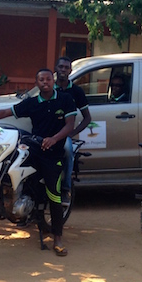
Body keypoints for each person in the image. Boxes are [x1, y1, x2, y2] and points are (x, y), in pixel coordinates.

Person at [0, 69, 76, 256]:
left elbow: (70, 125)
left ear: (53, 81)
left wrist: (54, 139)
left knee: (54, 195)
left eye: (48, 79)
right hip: (34, 148)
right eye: (41, 80)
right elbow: (5, 112)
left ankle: (57, 237)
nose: (45, 82)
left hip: (53, 153)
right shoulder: (31, 103)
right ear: (37, 83)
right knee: (12, 168)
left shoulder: (65, 99)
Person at [54, 56, 91, 206]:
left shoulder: (76, 91)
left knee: (69, 152)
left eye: (66, 67)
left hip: (64, 134)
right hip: (46, 132)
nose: (63, 70)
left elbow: (87, 118)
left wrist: (71, 133)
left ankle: (65, 188)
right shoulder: (48, 88)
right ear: (55, 68)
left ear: (70, 71)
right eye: (60, 67)